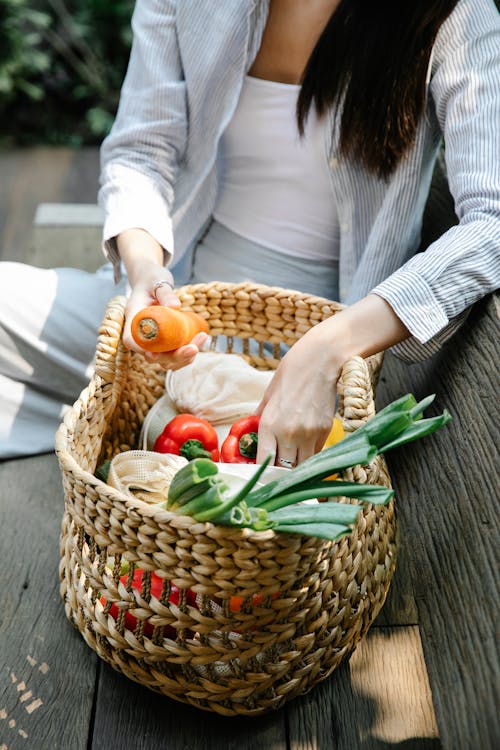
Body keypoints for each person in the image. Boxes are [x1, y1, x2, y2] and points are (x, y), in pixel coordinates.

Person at [1, 0, 499, 464]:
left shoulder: (454, 17)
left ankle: (105, 419)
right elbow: (141, 150)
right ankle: (109, 415)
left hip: (303, 365)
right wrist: (144, 269)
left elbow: (492, 222)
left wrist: (329, 347)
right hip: (173, 313)